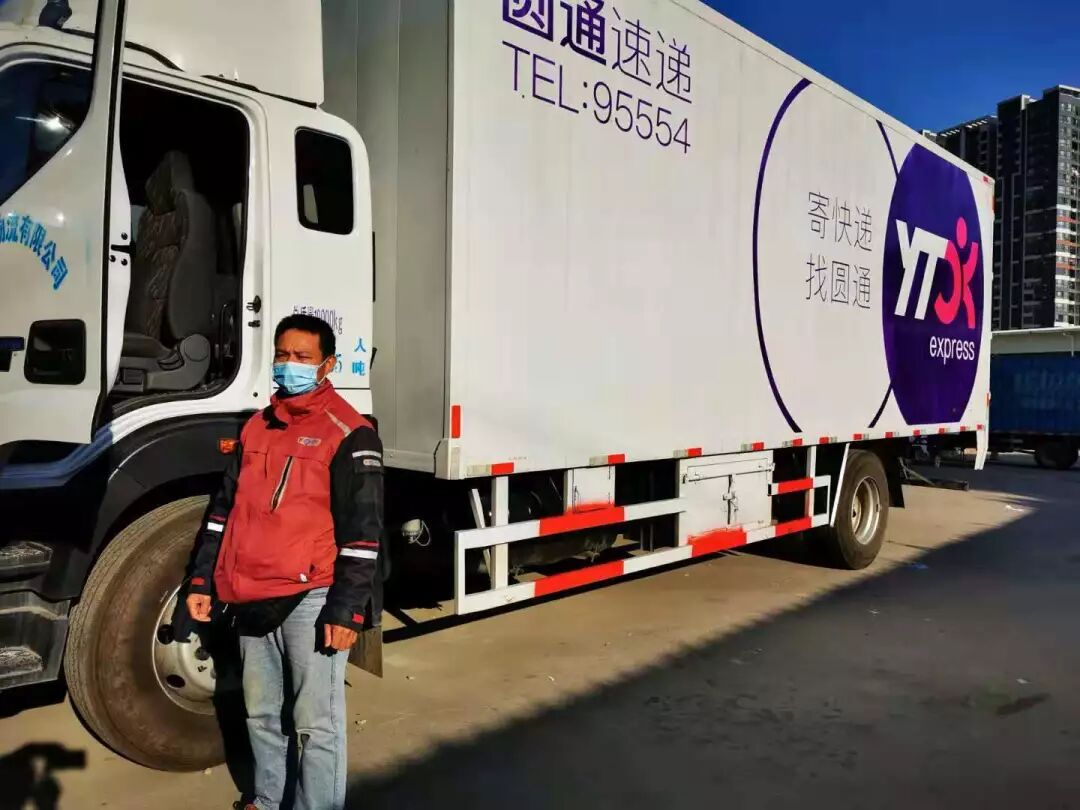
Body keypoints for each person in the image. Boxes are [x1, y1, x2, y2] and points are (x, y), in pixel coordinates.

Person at [186, 314, 383, 810]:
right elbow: (222, 513)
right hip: (250, 594)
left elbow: (363, 535)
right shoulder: (257, 426)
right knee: (260, 715)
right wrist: (202, 579)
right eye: (282, 355)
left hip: (311, 598)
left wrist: (346, 610)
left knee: (316, 724)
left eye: (302, 357)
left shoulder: (350, 433)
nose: (288, 364)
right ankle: (268, 799)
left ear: (327, 365)